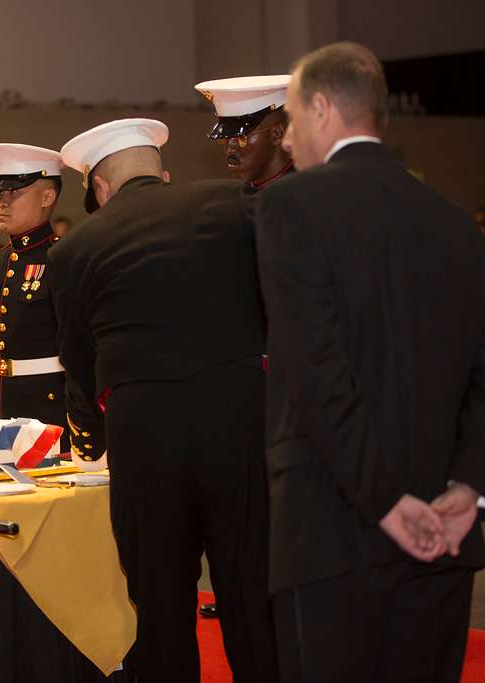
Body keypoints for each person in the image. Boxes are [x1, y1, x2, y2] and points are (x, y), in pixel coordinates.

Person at [256, 42, 485, 683]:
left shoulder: (292, 206)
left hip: (332, 532)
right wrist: (465, 491)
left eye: (289, 117)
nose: (285, 139)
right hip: (446, 537)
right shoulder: (458, 225)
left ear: (321, 108)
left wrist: (386, 501)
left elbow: (315, 370)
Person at [51, 119, 275, 682]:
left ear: (99, 187)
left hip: (143, 433)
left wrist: (99, 437)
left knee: (158, 600)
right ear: (162, 173)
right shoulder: (235, 202)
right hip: (239, 419)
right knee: (252, 591)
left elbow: (78, 361)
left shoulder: (75, 247)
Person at [194, 73, 292, 619]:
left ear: (279, 130)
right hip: (236, 386)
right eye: (226, 134)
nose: (231, 144)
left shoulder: (308, 201)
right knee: (243, 503)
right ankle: (247, 589)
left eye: (244, 133)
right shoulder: (229, 206)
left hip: (294, 385)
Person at [0, 143, 68, 447]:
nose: (3, 202)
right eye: (0, 193)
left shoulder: (64, 258)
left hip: (50, 409)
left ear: (47, 197)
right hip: (1, 405)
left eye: (15, 192)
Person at [195, 74, 293, 192]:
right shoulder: (233, 200)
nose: (229, 148)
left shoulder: (306, 196)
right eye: (225, 138)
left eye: (241, 137)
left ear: (277, 133)